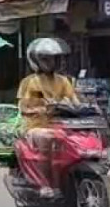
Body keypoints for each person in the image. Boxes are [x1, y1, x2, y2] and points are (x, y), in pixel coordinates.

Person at [16, 37, 79, 197]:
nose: (49, 62)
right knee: (48, 138)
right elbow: (25, 105)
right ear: (36, 60)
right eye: (45, 59)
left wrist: (81, 107)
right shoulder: (30, 82)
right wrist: (42, 108)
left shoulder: (64, 81)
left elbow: (74, 101)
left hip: (60, 124)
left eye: (53, 59)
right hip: (35, 126)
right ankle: (45, 184)